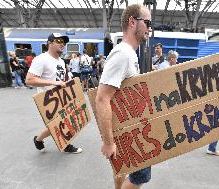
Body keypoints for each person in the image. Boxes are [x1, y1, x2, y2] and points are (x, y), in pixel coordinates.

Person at [95, 4, 151, 189]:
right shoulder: (123, 54)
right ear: (132, 22)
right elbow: (102, 98)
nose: (150, 28)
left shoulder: (130, 54)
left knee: (122, 170)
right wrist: (108, 142)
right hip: (127, 131)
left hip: (129, 128)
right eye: (147, 22)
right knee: (141, 175)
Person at [26, 33, 82, 154]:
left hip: (61, 97)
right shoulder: (41, 59)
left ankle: (38, 139)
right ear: (50, 43)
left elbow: (61, 78)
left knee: (60, 122)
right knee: (59, 123)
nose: (63, 44)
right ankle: (65, 144)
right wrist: (54, 83)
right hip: (48, 100)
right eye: (59, 41)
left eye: (64, 42)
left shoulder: (61, 61)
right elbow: (29, 80)